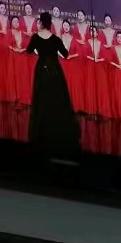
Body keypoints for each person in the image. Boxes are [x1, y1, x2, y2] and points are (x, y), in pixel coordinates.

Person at [26, 12, 79, 156]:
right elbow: (65, 54)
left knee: (41, 96)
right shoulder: (55, 39)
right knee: (56, 96)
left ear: (41, 23)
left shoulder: (35, 37)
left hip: (42, 69)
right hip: (55, 70)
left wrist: (39, 52)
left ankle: (42, 126)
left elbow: (29, 50)